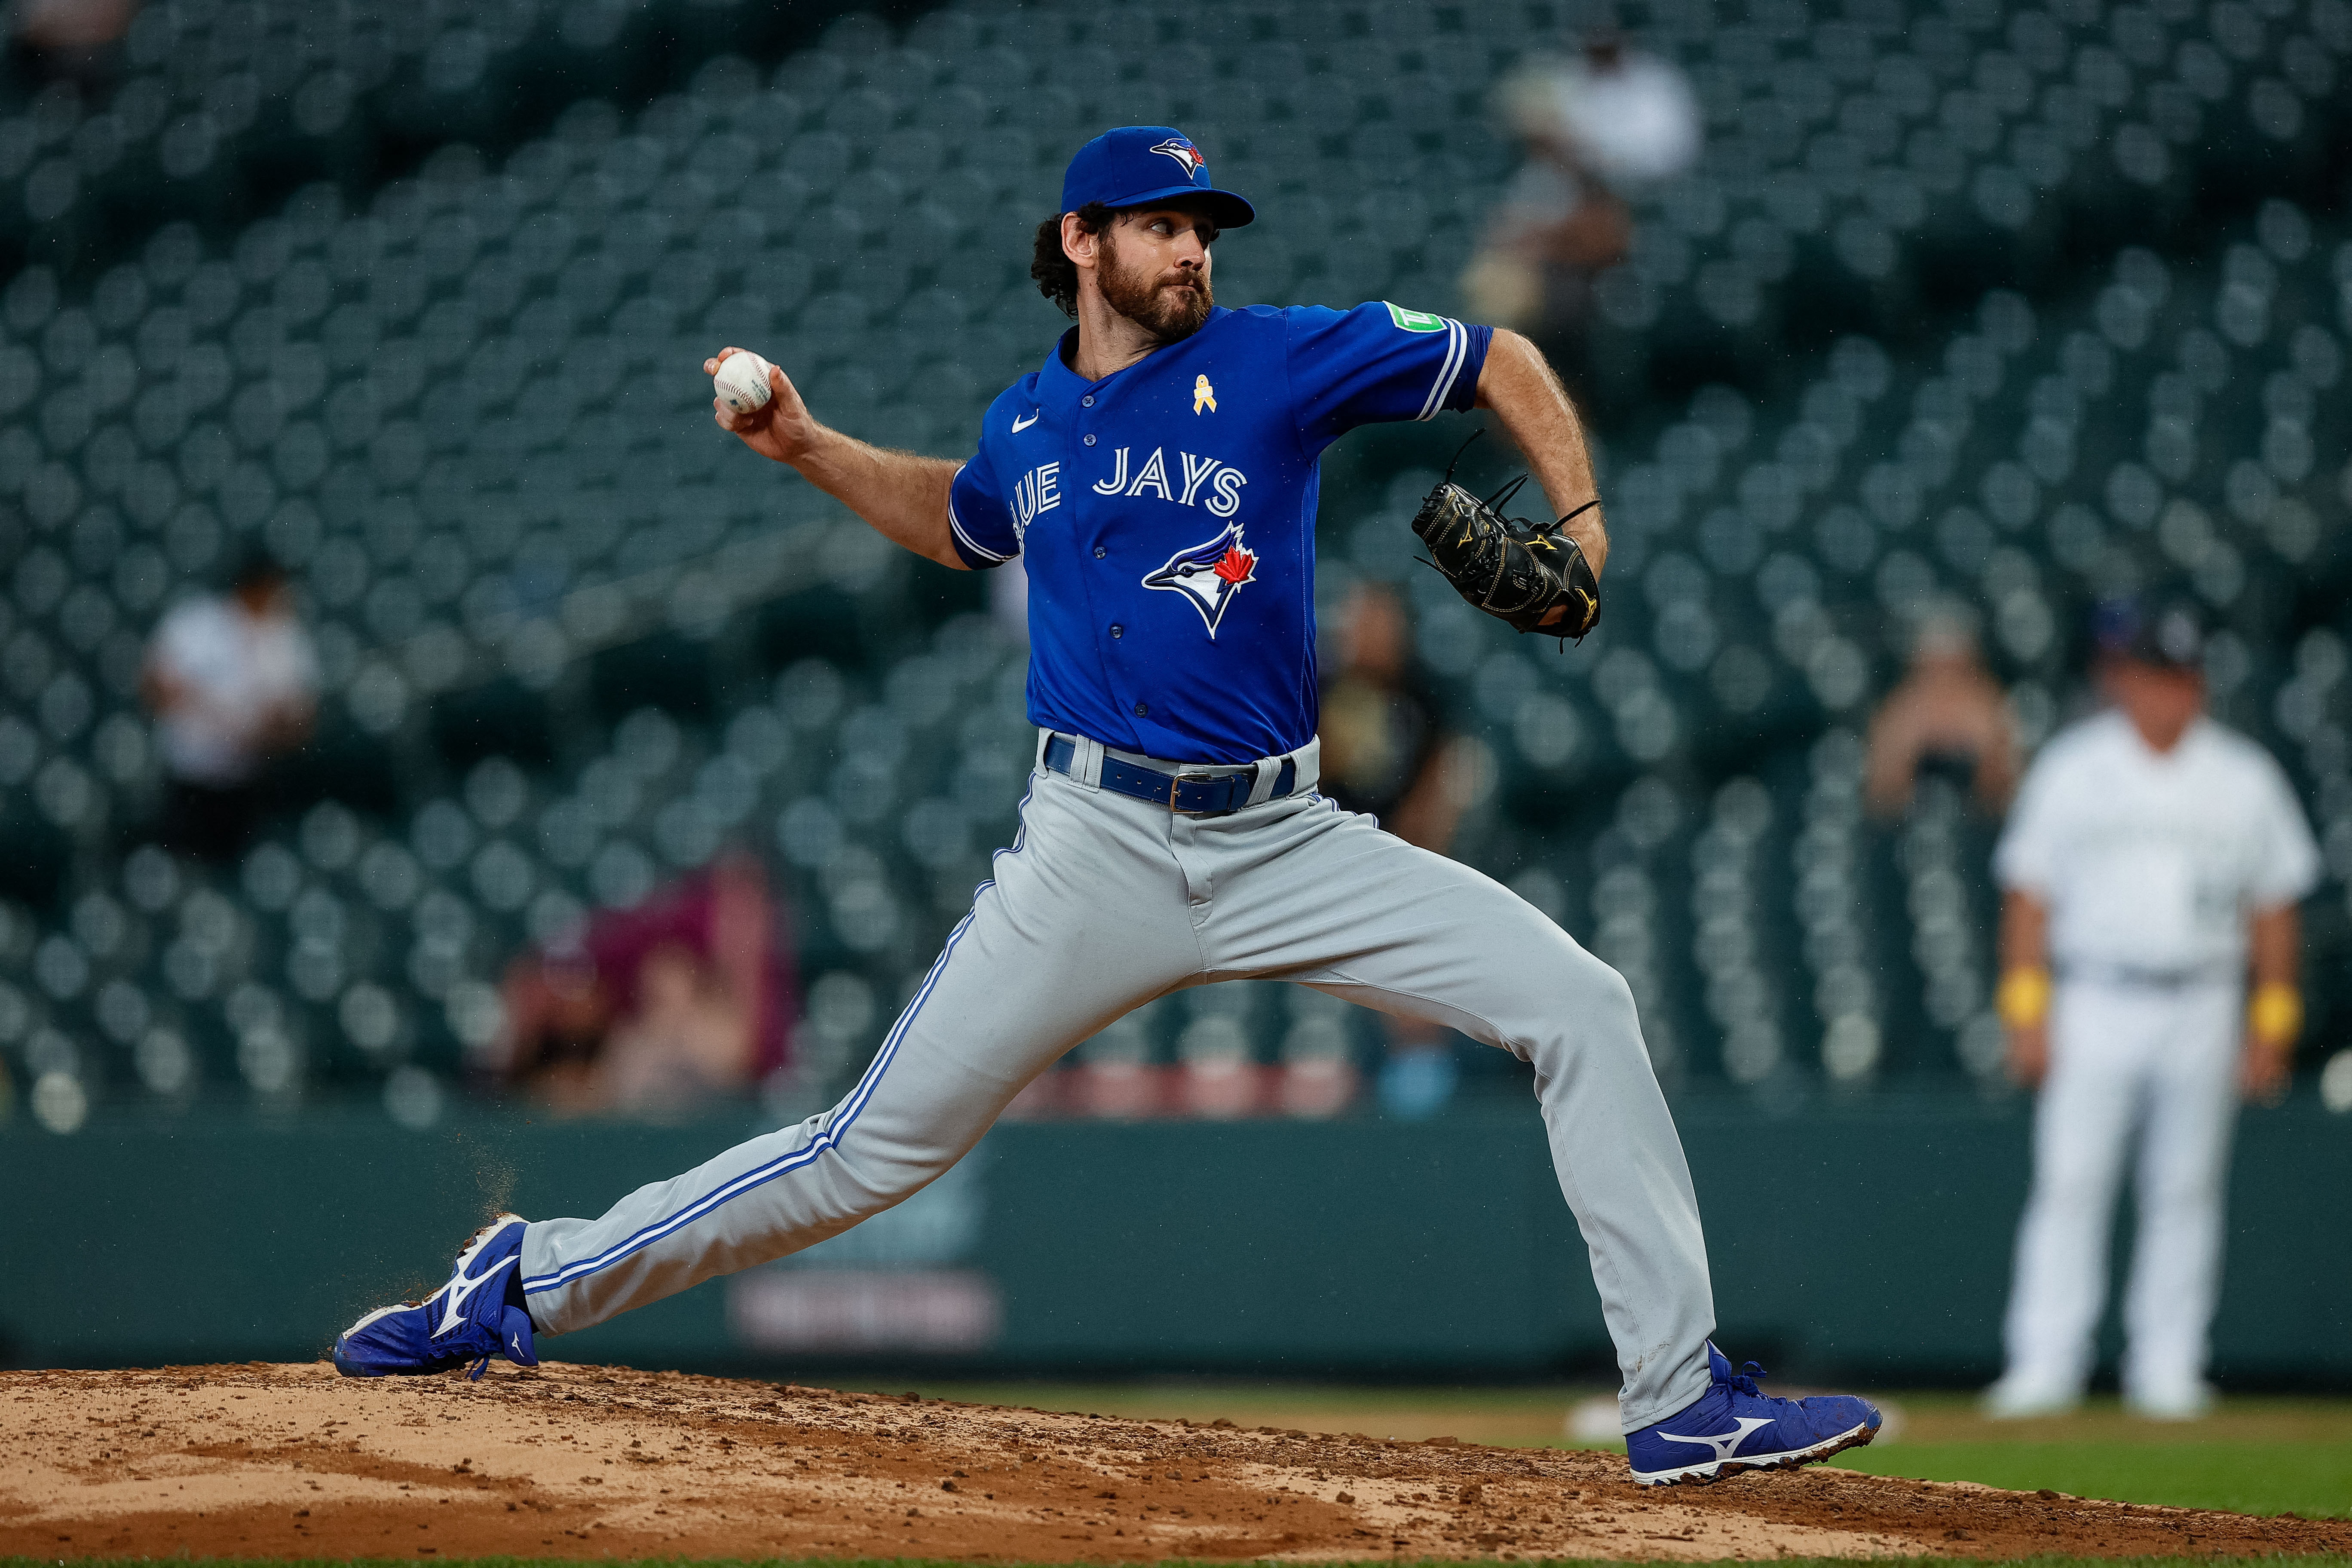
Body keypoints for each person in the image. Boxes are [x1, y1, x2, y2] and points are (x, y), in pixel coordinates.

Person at [334, 125, 1878, 1488]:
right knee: (862, 1153)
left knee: (1580, 1001)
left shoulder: (1275, 357)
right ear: (1082, 244)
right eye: (1160, 224)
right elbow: (956, 519)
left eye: (1202, 226)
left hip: (1288, 835)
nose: (1191, 246)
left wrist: (1584, 528)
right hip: (1094, 845)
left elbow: (1505, 361)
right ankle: (524, 1277)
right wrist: (805, 446)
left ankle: (1677, 1396)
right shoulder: (1028, 427)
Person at [1984, 597, 2318, 1421]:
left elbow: (2275, 909)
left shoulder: (2243, 776)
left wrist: (2270, 1023)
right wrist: (2027, 1015)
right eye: (2153, 674)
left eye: (2183, 675)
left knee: (2185, 1188)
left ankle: (2168, 1366)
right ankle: (2044, 1364)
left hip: (2203, 997)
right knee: (2071, 1179)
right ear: (2121, 678)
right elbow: (2028, 899)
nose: (2169, 691)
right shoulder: (2073, 767)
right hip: (2094, 993)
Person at [484, 852, 795, 1119]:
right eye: (654, 988)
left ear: (693, 983)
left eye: (672, 981)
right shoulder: (631, 1042)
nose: (662, 990)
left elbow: (740, 1062)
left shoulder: (713, 1030)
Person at [1317, 582, 1472, 1117]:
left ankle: (1420, 1067)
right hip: (1327, 852)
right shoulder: (1320, 687)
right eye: (1358, 623)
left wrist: (1414, 845)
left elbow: (1446, 772)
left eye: (1378, 623)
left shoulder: (1423, 692)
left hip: (1406, 854)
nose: (1366, 635)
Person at [1465, 31, 1700, 361]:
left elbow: (1604, 237)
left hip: (1578, 287)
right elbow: (1509, 231)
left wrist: (1545, 241)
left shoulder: (1588, 174)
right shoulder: (1536, 174)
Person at [140, 548, 318, 864]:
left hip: (249, 781)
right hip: (189, 778)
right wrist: (210, 710)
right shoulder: (198, 623)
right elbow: (153, 685)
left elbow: (301, 723)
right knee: (185, 864)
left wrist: (266, 730)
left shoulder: (285, 637)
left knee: (245, 866)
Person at [1862, 608, 2021, 818]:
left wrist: (1981, 751)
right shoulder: (1898, 711)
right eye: (1933, 669)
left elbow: (2011, 794)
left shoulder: (1993, 706)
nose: (1943, 683)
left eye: (1953, 669)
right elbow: (1879, 798)